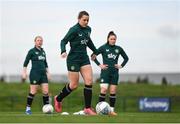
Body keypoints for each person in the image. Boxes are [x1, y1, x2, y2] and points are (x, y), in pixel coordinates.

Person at [54, 11, 97, 115]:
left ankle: (87, 108)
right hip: (73, 59)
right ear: (78, 19)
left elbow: (88, 41)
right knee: (73, 85)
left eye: (88, 20)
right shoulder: (74, 30)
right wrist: (63, 51)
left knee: (89, 81)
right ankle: (58, 99)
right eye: (84, 20)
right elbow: (63, 41)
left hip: (84, 58)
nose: (86, 22)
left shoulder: (88, 29)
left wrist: (95, 51)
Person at [92, 31, 129, 116]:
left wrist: (121, 65)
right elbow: (93, 56)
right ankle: (99, 110)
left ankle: (111, 111)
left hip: (115, 73)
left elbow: (126, 58)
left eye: (114, 39)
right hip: (105, 72)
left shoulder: (118, 48)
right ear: (108, 39)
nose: (113, 40)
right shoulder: (103, 47)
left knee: (113, 91)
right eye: (111, 39)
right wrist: (99, 65)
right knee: (104, 90)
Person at [22, 36, 51, 115]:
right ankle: (28, 109)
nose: (40, 42)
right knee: (33, 91)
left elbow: (45, 63)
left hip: (43, 74)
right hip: (35, 74)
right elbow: (26, 62)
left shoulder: (43, 51)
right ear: (35, 42)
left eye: (41, 40)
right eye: (38, 40)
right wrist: (24, 73)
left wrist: (48, 73)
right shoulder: (31, 51)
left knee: (46, 91)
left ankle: (47, 108)